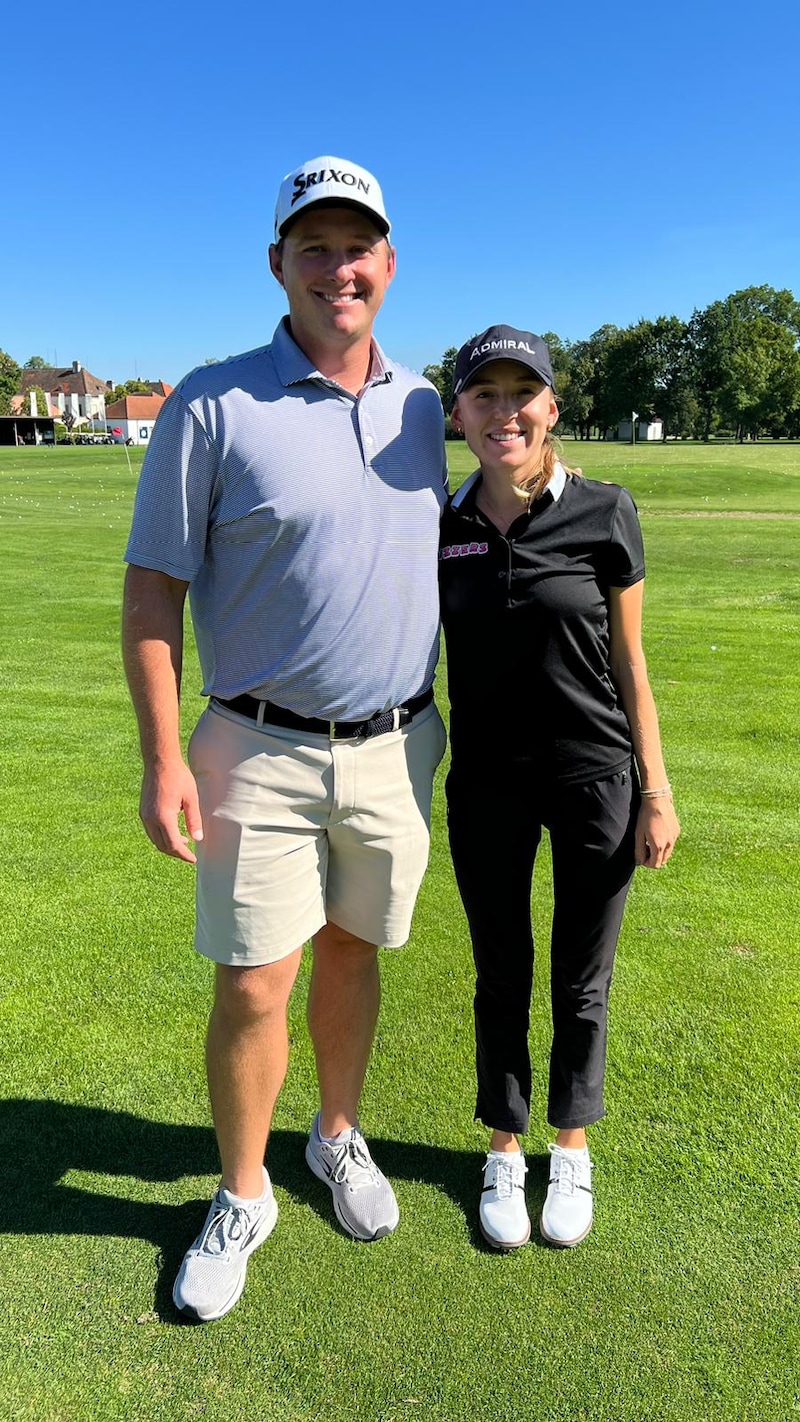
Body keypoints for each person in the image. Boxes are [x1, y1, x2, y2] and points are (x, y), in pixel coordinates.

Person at [122, 155, 447, 1321]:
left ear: (388, 266)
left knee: (356, 954)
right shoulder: (213, 401)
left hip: (398, 746)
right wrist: (163, 756)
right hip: (253, 744)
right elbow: (153, 590)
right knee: (257, 981)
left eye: (356, 246)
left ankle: (337, 1136)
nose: (337, 267)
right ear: (278, 265)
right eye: (313, 247)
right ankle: (242, 1189)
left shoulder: (423, 406)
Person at [438, 325, 679, 1251]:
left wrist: (655, 787)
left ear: (551, 407)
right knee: (500, 972)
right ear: (459, 413)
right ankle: (504, 1144)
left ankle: (568, 1148)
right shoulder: (442, 522)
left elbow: (630, 659)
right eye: (484, 395)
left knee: (583, 980)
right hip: (488, 786)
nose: (505, 411)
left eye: (521, 393)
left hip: (595, 777)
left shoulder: (605, 510)